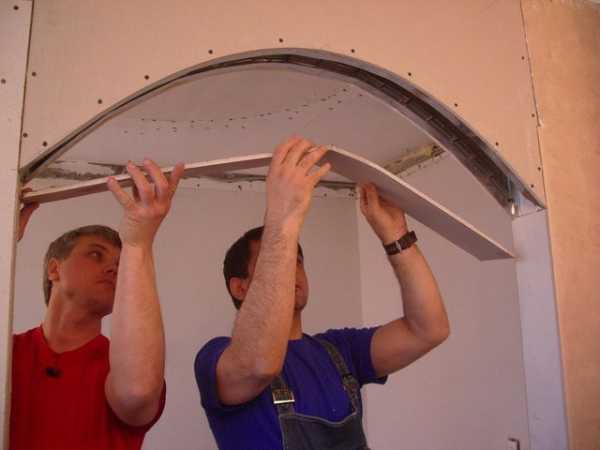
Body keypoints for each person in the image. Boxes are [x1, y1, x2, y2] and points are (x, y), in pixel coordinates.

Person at [194, 137, 450, 450]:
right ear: (240, 287)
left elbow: (429, 329)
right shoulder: (215, 358)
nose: (290, 270)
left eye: (296, 260)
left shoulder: (340, 351)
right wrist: (283, 219)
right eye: (276, 260)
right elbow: (259, 365)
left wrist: (396, 236)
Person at [11, 159, 183, 450]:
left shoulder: (118, 366)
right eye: (96, 255)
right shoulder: (10, 353)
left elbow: (137, 391)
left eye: (121, 264)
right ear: (54, 269)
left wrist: (138, 244)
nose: (113, 268)